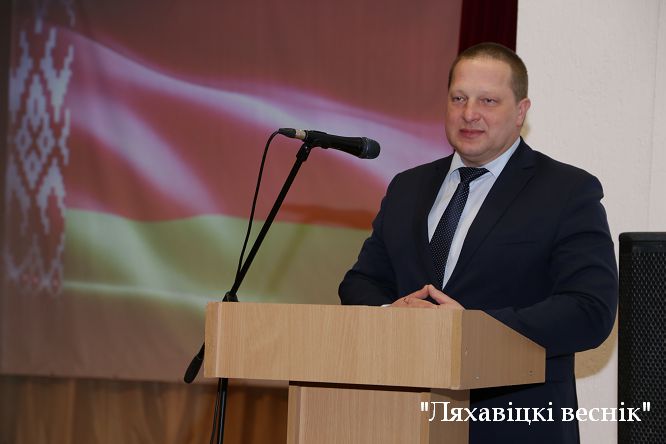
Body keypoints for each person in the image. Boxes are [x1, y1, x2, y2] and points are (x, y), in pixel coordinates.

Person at [338, 42, 618, 443]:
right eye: (459, 98)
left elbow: (590, 310)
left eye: (488, 100)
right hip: (402, 420)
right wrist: (392, 314)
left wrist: (471, 330)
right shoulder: (407, 187)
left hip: (515, 425)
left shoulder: (567, 191)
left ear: (520, 111)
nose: (469, 113)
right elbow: (360, 282)